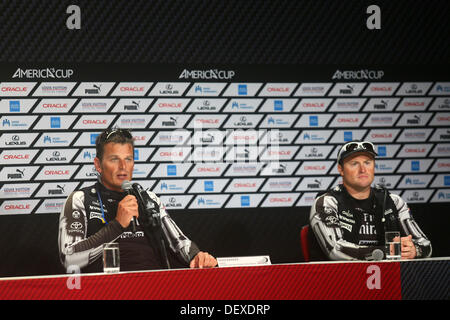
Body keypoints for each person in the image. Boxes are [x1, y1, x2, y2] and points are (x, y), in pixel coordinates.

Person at [58, 128, 217, 273]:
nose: (123, 166)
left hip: (154, 288)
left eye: (128, 159)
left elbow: (181, 243)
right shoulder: (81, 199)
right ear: (98, 165)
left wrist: (197, 256)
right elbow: (68, 257)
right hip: (105, 291)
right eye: (114, 159)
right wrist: (117, 225)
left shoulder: (148, 199)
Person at [309, 140, 432, 261]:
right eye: (354, 163)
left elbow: (426, 245)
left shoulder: (393, 202)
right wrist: (389, 251)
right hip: (339, 278)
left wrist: (414, 250)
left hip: (388, 278)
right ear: (341, 169)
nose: (363, 169)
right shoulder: (327, 202)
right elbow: (335, 250)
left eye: (368, 162)